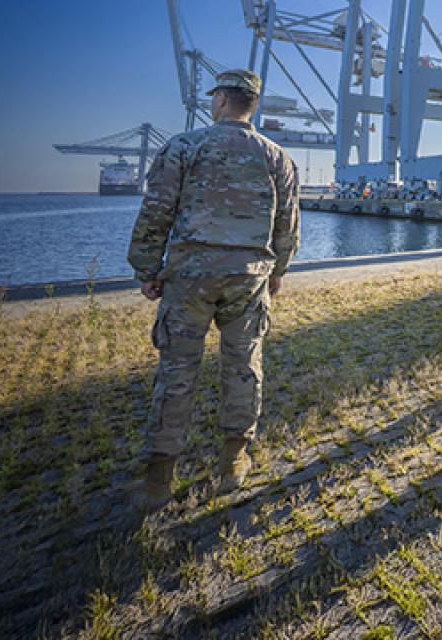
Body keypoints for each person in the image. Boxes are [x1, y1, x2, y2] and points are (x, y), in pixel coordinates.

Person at [127, 69, 300, 510]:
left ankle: (159, 479)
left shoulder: (185, 146)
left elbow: (156, 211)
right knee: (243, 366)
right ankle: (232, 463)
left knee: (177, 371)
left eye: (213, 98)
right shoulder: (277, 157)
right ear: (252, 104)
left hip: (190, 277)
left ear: (222, 99)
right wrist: (277, 270)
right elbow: (288, 226)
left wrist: (148, 268)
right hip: (249, 277)